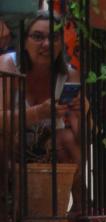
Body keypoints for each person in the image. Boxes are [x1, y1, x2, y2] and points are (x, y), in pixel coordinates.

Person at [1, 12, 84, 198]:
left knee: (69, 138)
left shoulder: (70, 76)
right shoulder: (7, 66)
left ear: (61, 43)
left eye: (53, 38)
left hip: (48, 147)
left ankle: (80, 205)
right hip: (12, 145)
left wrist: (82, 113)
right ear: (24, 41)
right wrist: (39, 112)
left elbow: (83, 137)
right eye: (38, 37)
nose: (46, 44)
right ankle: (5, 207)